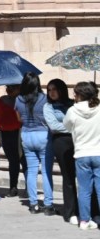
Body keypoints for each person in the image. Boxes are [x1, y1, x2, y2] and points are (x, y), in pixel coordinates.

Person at [63, 81, 100, 230]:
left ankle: (84, 220)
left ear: (80, 95)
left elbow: (66, 126)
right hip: (98, 152)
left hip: (81, 153)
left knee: (84, 189)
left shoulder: (72, 110)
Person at [15, 72, 53, 213]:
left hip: (26, 134)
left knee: (31, 171)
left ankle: (33, 204)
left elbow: (19, 119)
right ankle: (48, 204)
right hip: (43, 134)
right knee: (46, 171)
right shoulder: (44, 98)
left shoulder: (19, 99)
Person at [44, 78, 77, 221]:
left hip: (77, 141)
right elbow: (54, 126)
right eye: (49, 90)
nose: (51, 93)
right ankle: (71, 211)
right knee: (68, 177)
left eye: (54, 89)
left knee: (83, 177)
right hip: (61, 142)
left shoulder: (72, 104)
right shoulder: (48, 107)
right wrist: (73, 128)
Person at [0, 83, 24, 197]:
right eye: (8, 87)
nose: (9, 89)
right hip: (5, 133)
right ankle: (13, 187)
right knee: (13, 161)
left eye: (13, 87)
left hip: (19, 133)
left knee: (23, 161)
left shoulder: (23, 101)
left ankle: (27, 188)